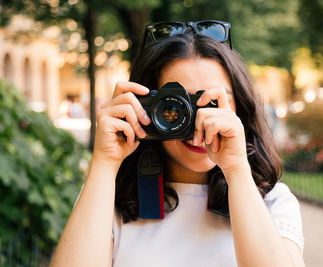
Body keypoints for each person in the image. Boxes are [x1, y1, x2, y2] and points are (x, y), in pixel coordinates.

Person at [50, 20, 305, 267]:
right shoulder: (107, 199)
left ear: (240, 108)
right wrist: (105, 163)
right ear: (143, 106)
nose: (198, 123)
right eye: (175, 107)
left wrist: (236, 170)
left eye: (213, 103)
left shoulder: (272, 202)